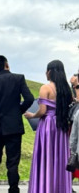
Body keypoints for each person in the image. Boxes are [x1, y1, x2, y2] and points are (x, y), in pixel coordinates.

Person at [0, 55, 34, 193]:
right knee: (13, 162)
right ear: (7, 65)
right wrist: (18, 111)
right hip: (14, 127)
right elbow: (29, 98)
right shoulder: (18, 78)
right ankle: (13, 189)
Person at [24, 60, 73, 192]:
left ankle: (44, 187)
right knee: (59, 158)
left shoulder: (45, 88)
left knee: (46, 157)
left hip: (48, 126)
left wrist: (32, 115)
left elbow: (42, 111)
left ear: (50, 72)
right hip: (61, 126)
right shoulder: (66, 90)